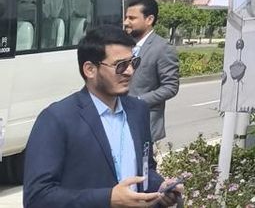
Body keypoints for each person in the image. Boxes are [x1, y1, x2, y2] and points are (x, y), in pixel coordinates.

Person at [23, 24, 183, 207]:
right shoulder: (57, 119)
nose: (129, 71)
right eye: (120, 65)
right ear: (90, 69)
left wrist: (160, 187)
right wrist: (108, 199)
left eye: (133, 62)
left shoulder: (138, 110)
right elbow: (37, 197)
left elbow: (146, 169)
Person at [124, 0, 180, 142]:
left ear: (149, 19)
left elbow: (170, 87)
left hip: (144, 124)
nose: (126, 22)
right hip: (119, 121)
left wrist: (138, 101)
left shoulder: (162, 48)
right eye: (126, 17)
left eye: (132, 18)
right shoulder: (123, 44)